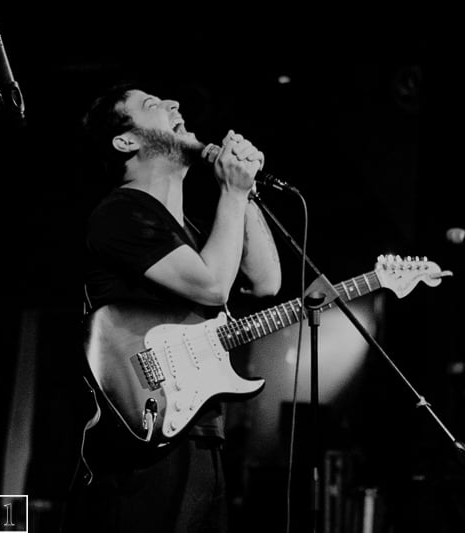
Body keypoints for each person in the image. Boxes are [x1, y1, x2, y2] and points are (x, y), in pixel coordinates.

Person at [63, 82, 282, 533]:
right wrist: (232, 194)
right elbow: (212, 288)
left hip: (200, 435)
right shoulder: (120, 212)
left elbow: (266, 282)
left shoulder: (195, 236)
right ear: (126, 141)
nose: (174, 104)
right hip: (142, 448)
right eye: (152, 104)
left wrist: (244, 189)